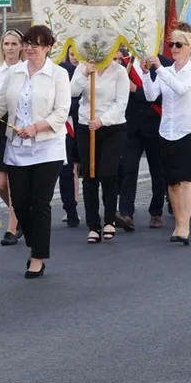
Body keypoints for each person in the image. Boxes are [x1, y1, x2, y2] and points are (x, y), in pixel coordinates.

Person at [0, 25, 71, 278]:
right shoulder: (14, 73)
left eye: (35, 44)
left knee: (40, 203)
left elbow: (61, 112)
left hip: (47, 146)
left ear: (47, 48)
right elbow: (1, 104)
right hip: (17, 148)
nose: (28, 48)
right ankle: (33, 242)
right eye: (26, 43)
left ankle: (37, 257)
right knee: (20, 203)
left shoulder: (58, 74)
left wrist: (36, 128)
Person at [142, 29, 191, 244]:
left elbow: (180, 90)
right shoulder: (165, 70)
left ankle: (185, 225)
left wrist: (159, 69)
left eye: (179, 45)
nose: (174, 48)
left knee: (186, 179)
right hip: (167, 130)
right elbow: (151, 95)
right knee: (173, 182)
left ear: (189, 48)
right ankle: (178, 222)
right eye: (172, 45)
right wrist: (145, 73)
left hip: (189, 130)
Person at [71, 51, 129, 243]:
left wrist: (102, 121)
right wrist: (85, 73)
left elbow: (121, 103)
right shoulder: (83, 67)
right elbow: (72, 92)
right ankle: (93, 225)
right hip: (86, 127)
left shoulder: (119, 71)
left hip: (112, 127)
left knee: (107, 173)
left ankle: (110, 220)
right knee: (89, 175)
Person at [116, 50, 171, 231]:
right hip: (131, 126)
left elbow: (165, 95)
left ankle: (156, 213)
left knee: (158, 171)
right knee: (128, 170)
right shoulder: (124, 64)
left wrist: (136, 90)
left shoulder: (163, 64)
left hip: (155, 125)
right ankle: (126, 213)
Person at [0, 28, 23, 245]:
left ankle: (13, 226)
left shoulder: (24, 70)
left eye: (14, 44)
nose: (9, 48)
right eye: (6, 44)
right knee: (0, 183)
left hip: (18, 125)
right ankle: (20, 211)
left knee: (14, 178)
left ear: (21, 47)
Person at [59, 48, 81, 228]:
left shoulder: (72, 71)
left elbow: (78, 98)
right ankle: (70, 208)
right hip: (58, 127)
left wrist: (63, 108)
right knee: (66, 169)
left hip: (75, 123)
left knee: (76, 167)